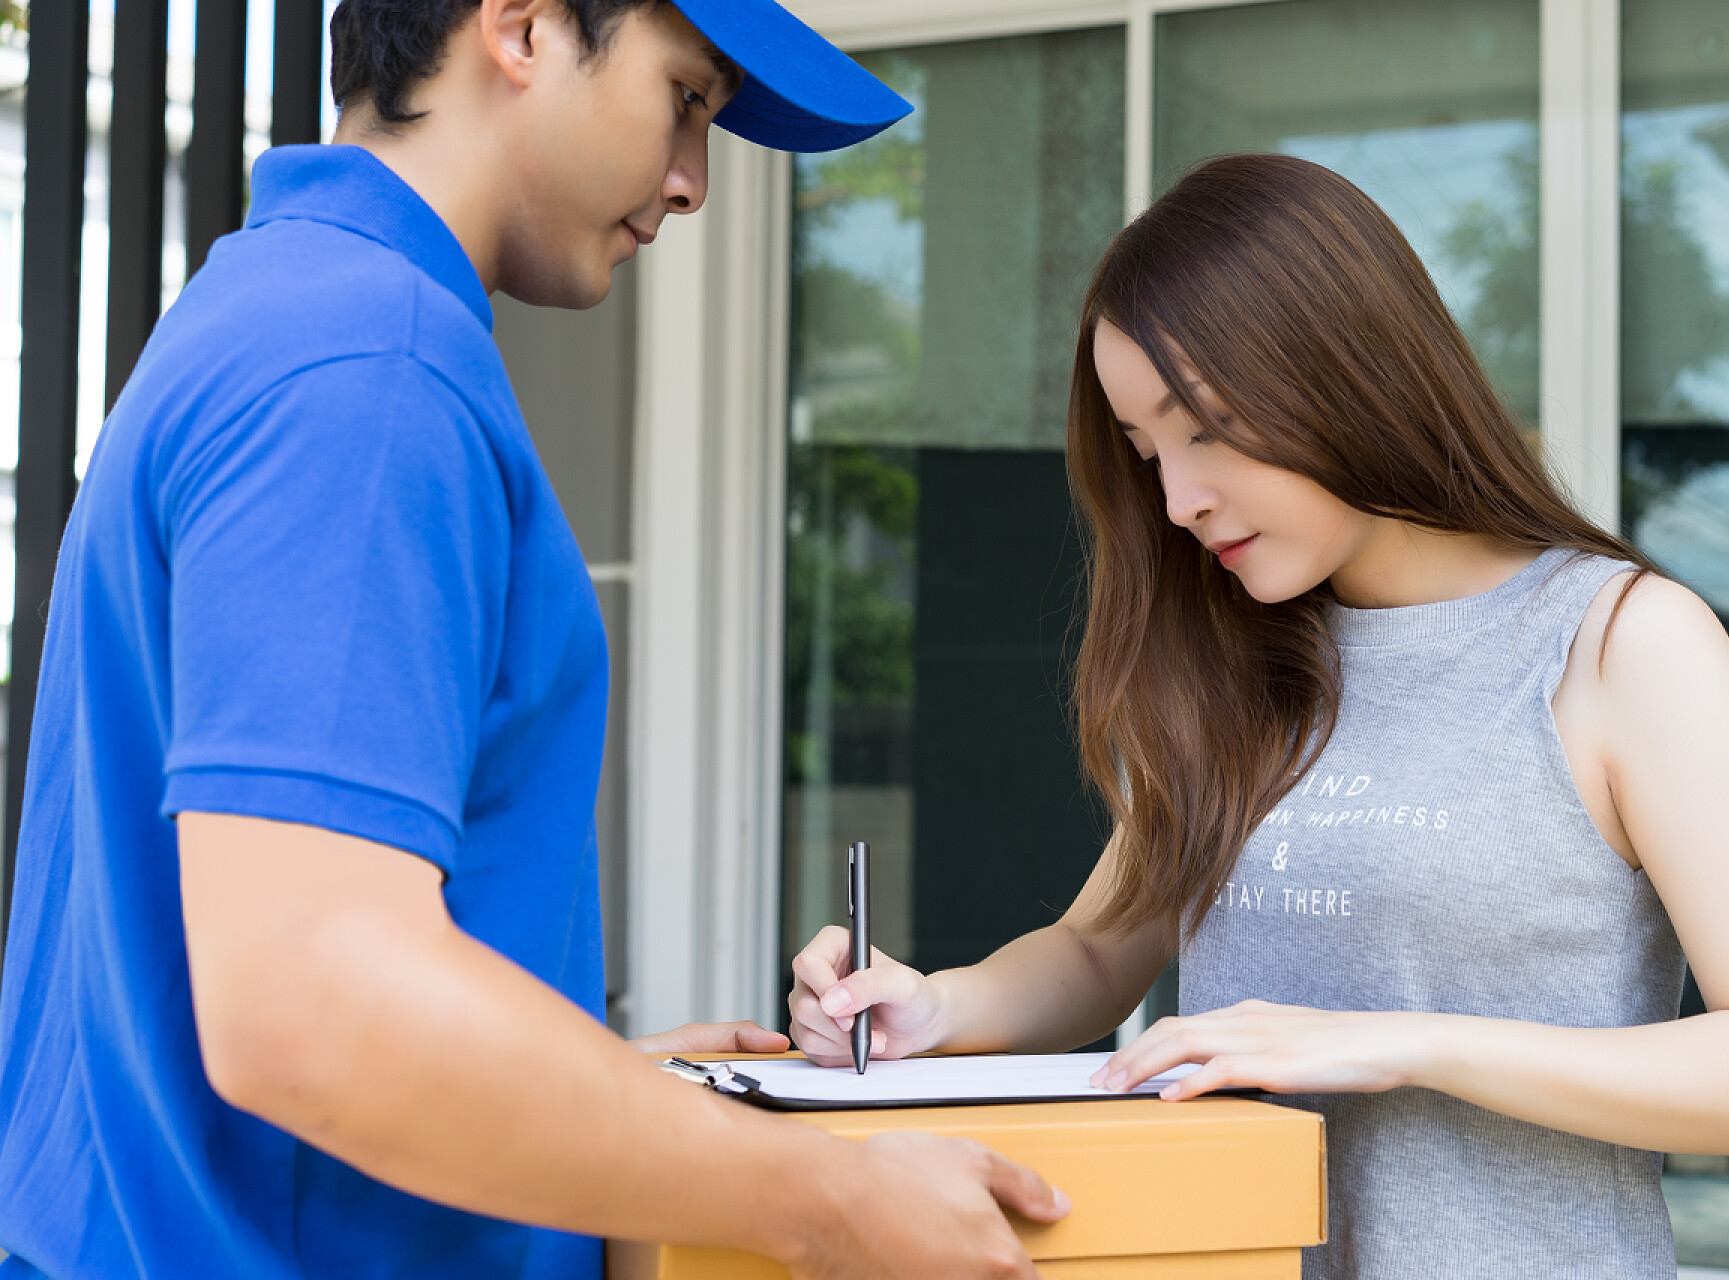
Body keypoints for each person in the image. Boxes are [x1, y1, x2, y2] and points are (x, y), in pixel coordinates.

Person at [0, 1, 1068, 1276]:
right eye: (686, 98)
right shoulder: (370, 366)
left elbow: (221, 984)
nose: (695, 184)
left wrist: (614, 1092)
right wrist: (827, 1197)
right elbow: (308, 1002)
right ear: (519, 29)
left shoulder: (270, 310)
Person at [789, 153, 1729, 1277]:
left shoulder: (1619, 643)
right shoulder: (1237, 660)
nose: (1176, 498)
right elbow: (1093, 947)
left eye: (1202, 425)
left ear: (1343, 367)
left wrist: (1400, 1041)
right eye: (1144, 451)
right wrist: (929, 1006)